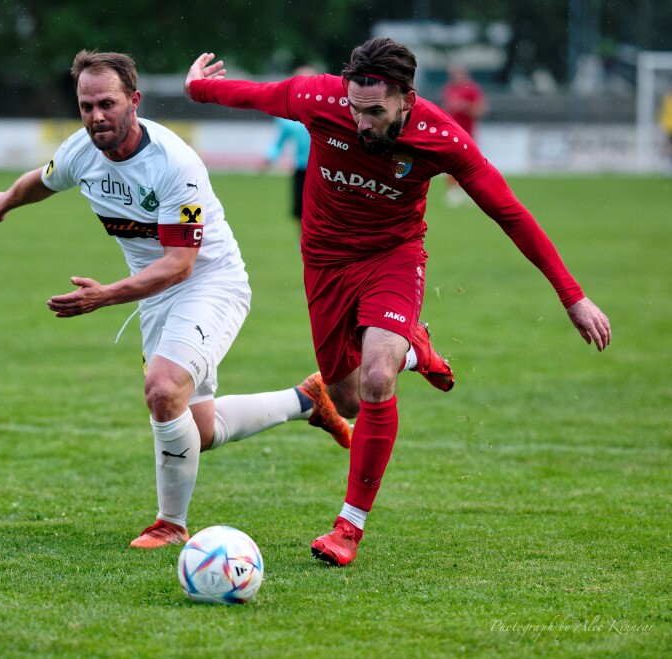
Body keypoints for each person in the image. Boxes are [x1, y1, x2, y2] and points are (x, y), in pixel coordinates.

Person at [0, 50, 448, 550]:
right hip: (157, 296)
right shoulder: (81, 150)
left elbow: (180, 264)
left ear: (134, 101)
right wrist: (5, 201)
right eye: (86, 105)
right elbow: (43, 179)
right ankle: (307, 399)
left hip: (210, 285)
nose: (96, 116)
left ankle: (170, 523)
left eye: (107, 104)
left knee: (163, 390)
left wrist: (106, 297)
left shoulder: (173, 163)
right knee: (196, 431)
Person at [185, 37, 611, 566]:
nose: (362, 122)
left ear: (406, 99)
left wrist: (572, 295)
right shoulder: (321, 99)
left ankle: (347, 529)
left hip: (394, 256)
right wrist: (200, 87)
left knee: (378, 377)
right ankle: (417, 350)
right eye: (356, 108)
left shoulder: (441, 138)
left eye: (376, 112)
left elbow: (510, 214)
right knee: (346, 401)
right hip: (324, 263)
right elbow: (255, 96)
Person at [263, 66, 316, 222]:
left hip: (325, 171)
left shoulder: (327, 112)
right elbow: (279, 142)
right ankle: (304, 244)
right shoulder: (288, 118)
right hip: (302, 170)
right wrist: (269, 157)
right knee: (301, 213)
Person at [441, 65, 487, 206]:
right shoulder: (449, 88)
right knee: (451, 161)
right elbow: (446, 109)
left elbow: (481, 110)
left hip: (468, 134)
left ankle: (472, 191)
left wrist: (465, 106)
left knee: (470, 163)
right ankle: (453, 191)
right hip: (452, 132)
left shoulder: (473, 89)